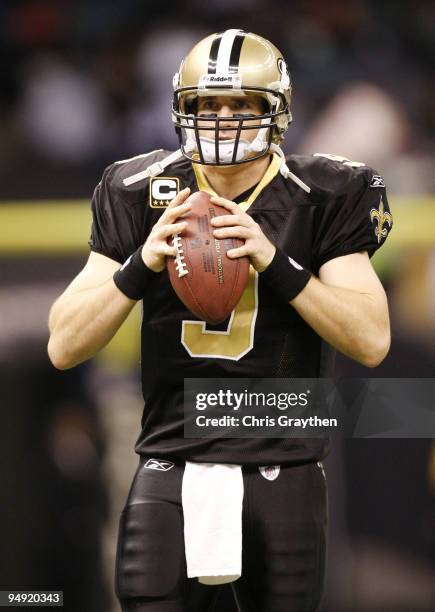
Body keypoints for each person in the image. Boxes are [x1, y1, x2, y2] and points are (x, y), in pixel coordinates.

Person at [47, 29, 392, 612]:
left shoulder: (326, 192)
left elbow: (372, 339)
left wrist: (276, 262)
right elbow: (63, 343)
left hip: (283, 460)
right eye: (209, 104)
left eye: (242, 104)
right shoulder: (138, 191)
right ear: (184, 108)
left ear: (275, 111)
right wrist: (139, 266)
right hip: (171, 457)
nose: (223, 118)